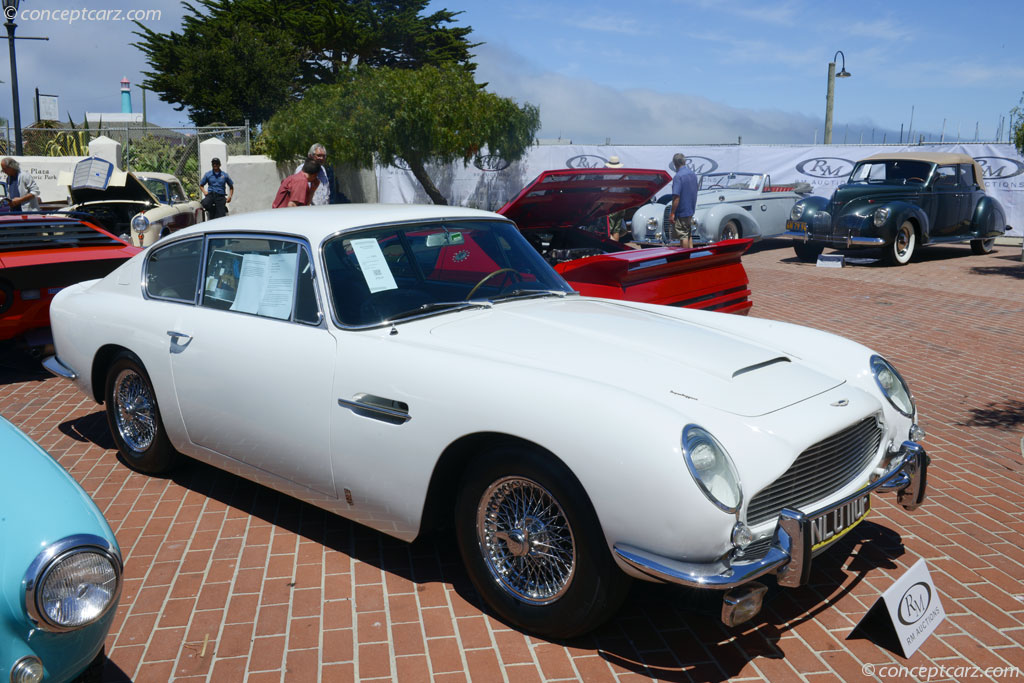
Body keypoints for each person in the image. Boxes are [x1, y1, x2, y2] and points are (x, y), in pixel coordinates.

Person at [669, 153, 698, 249]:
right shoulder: (693, 174)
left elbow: (676, 197)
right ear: (684, 161)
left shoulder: (678, 177)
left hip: (682, 211)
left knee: (683, 235)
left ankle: (685, 257)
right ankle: (691, 256)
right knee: (688, 233)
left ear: (675, 164)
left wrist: (672, 213)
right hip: (691, 209)